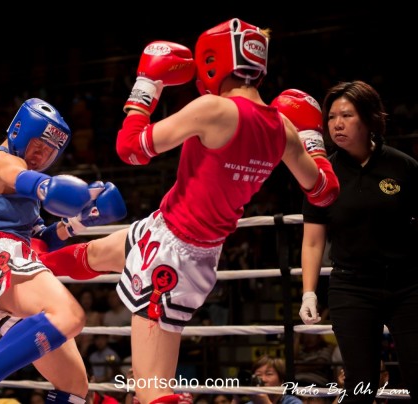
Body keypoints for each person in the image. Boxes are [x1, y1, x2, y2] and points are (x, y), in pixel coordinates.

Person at [40, 18, 340, 404]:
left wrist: (149, 82)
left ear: (215, 59)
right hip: (171, 233)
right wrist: (313, 139)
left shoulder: (213, 109)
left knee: (151, 390)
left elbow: (130, 147)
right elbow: (323, 192)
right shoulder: (283, 129)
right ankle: (29, 259)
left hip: (173, 255)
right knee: (92, 254)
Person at [0, 98, 127, 403]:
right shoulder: (0, 161)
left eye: (50, 151)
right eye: (38, 145)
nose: (41, 155)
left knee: (75, 386)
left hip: (16, 259)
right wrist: (50, 188)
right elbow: (36, 184)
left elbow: (41, 238)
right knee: (69, 315)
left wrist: (80, 221)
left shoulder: (25, 195)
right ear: (18, 132)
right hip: (0, 254)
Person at [296, 80, 418, 402]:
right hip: (352, 288)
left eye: (346, 115)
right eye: (332, 116)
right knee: (360, 382)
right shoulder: (321, 173)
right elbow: (312, 241)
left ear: (368, 118)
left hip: (408, 285)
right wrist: (309, 293)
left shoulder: (403, 166)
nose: (337, 124)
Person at [233, 356, 302, 404]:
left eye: (269, 374)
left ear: (281, 380)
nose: (263, 379)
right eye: (258, 375)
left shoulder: (292, 402)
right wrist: (236, 399)